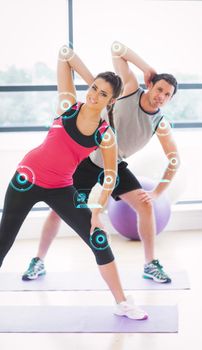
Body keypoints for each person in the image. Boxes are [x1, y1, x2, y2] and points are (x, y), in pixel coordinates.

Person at [0, 45, 148, 321]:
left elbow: (111, 175)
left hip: (60, 187)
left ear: (111, 102)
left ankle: (122, 302)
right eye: (93, 89)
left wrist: (96, 212)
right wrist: (98, 81)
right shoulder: (68, 105)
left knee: (99, 239)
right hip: (26, 178)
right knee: (3, 242)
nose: (93, 96)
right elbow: (64, 54)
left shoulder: (106, 135)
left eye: (103, 94)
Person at [23, 40, 180, 284]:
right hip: (86, 160)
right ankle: (38, 260)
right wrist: (147, 67)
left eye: (167, 95)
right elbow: (117, 48)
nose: (161, 96)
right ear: (151, 85)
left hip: (113, 164)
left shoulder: (160, 123)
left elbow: (174, 159)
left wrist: (158, 193)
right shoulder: (129, 88)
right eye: (159, 89)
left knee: (146, 206)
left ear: (170, 100)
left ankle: (150, 264)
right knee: (57, 211)